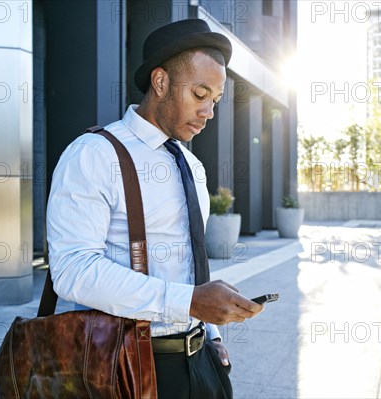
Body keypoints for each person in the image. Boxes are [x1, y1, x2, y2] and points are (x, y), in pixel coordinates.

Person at [46, 19, 263, 398]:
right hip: (122, 366)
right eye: (199, 93)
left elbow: (189, 265)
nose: (209, 111)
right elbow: (72, 269)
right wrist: (191, 302)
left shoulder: (192, 167)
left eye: (215, 99)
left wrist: (209, 334)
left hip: (201, 363)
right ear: (160, 83)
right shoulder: (94, 154)